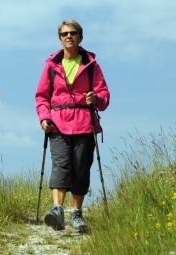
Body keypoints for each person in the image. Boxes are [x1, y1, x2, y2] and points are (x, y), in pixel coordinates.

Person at [35, 20, 110, 233]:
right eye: (65, 33)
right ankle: (57, 210)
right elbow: (41, 96)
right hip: (57, 124)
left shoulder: (91, 66)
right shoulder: (51, 65)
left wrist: (95, 98)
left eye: (73, 33)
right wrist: (44, 117)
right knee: (61, 165)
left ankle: (77, 214)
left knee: (80, 168)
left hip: (84, 123)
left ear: (80, 37)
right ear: (60, 38)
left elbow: (104, 95)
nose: (69, 36)